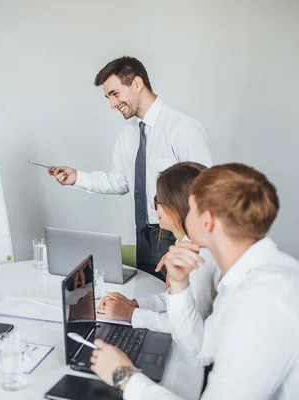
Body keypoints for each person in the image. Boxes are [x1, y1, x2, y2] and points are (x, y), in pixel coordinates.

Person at [89, 163, 299, 399]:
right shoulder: (251, 278)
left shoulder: (259, 304)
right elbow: (200, 351)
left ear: (206, 221)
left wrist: (123, 377)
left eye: (191, 207)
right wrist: (179, 285)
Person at [49, 56, 212, 281]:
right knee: (148, 297)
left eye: (115, 94)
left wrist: (189, 243)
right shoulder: (128, 135)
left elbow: (206, 193)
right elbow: (121, 181)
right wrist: (77, 178)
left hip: (178, 235)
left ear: (137, 83)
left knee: (177, 301)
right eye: (108, 97)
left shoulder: (182, 127)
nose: (112, 104)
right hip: (143, 233)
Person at [99, 162, 220, 332]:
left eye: (157, 201)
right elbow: (180, 301)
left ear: (178, 206)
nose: (152, 207)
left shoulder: (201, 257)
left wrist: (131, 314)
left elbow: (190, 325)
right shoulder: (186, 243)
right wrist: (136, 304)